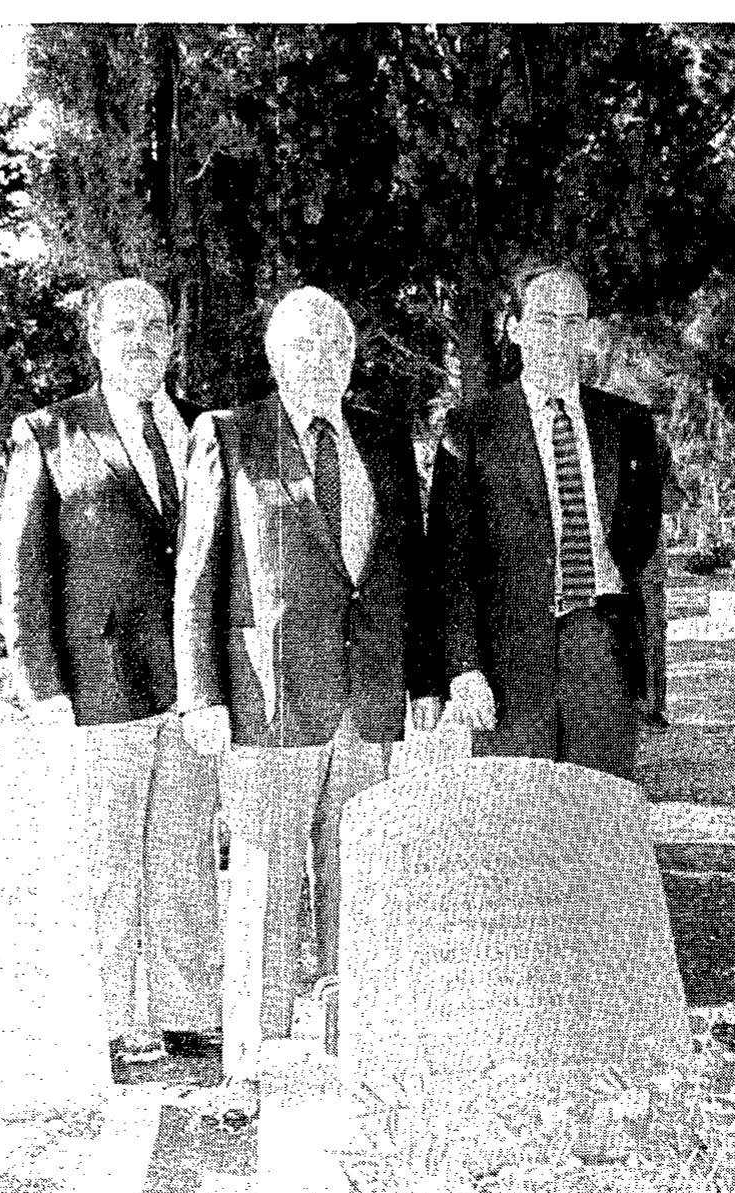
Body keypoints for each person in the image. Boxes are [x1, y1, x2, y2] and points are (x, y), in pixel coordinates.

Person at [174, 286, 443, 1048]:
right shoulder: (228, 435)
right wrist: (201, 695)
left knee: (356, 878)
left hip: (366, 702)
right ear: (273, 354)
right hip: (271, 702)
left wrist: (420, 677)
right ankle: (252, 1059)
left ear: (354, 358)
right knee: (265, 882)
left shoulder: (383, 439)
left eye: (338, 344)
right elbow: (197, 575)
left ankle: (349, 1045)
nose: (323, 357)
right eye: (306, 343)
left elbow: (405, 571)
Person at [0, 277, 221, 1066]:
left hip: (192, 688)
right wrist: (41, 686)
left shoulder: (204, 428)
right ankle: (113, 1021)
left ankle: (188, 1011)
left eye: (157, 326)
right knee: (107, 861)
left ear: (173, 338)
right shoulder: (51, 431)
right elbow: (24, 572)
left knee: (186, 852)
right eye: (123, 327)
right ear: (94, 340)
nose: (142, 341)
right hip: (98, 687)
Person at [427, 257, 662, 780]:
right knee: (519, 822)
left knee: (600, 814)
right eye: (544, 319)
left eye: (573, 321)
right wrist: (463, 669)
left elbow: (644, 552)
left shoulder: (628, 424)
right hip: (508, 654)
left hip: (600, 641)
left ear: (588, 331)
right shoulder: (470, 428)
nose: (559, 336)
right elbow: (451, 563)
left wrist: (650, 674)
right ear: (514, 329)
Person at [639, 431, 682, 730]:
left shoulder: (656, 446)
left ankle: (652, 706)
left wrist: (646, 484)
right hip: (602, 562)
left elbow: (675, 499)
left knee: (652, 633)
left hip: (647, 561)